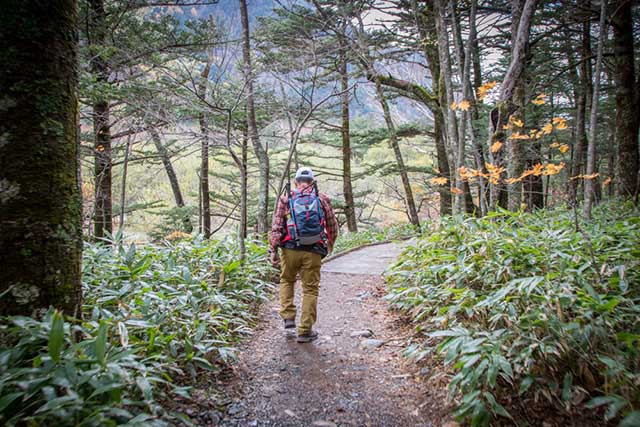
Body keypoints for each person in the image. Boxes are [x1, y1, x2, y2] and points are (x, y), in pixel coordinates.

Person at [269, 167, 339, 343]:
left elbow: (277, 227)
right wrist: (331, 243)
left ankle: (288, 317)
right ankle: (305, 330)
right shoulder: (321, 199)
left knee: (287, 280)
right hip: (314, 249)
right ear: (312, 183)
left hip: (290, 249)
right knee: (310, 289)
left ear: (295, 182)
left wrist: (273, 250)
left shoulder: (286, 199)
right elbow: (332, 224)